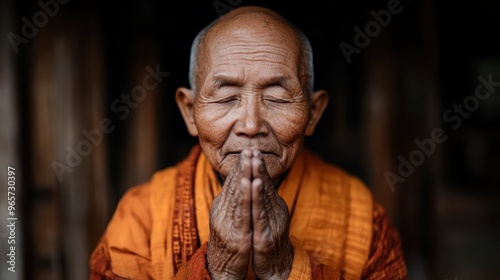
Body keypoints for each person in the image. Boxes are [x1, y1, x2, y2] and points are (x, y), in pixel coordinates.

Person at [89, 6, 408, 280]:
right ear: (189, 112)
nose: (251, 125)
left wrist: (286, 268)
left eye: (278, 98)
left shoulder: (363, 220)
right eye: (227, 97)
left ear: (313, 113)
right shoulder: (140, 218)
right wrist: (218, 266)